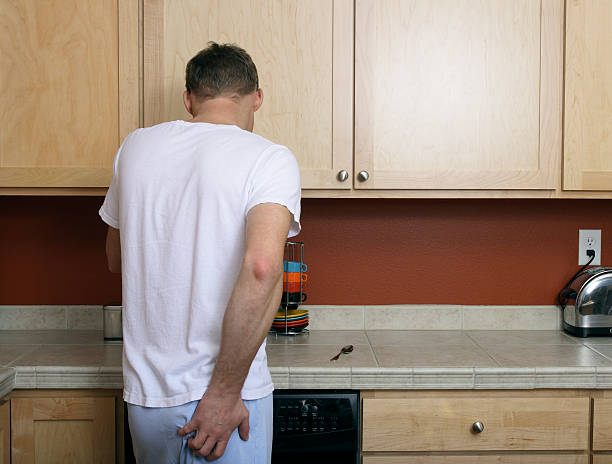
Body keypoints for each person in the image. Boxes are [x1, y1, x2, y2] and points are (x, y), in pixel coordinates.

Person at [99, 42, 301, 463]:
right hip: (224, 401)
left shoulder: (134, 148)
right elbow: (263, 268)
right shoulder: (269, 158)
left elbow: (116, 260)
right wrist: (225, 394)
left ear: (189, 99)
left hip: (148, 401)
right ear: (257, 97)